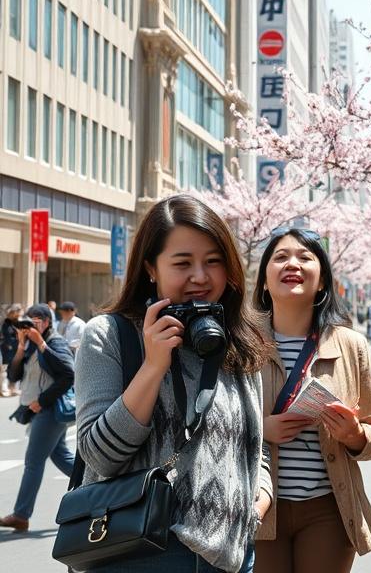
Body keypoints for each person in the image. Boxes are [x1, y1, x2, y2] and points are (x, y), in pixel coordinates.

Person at [74, 195, 271, 572]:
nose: (200, 276)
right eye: (183, 263)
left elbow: (255, 446)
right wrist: (152, 366)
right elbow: (99, 456)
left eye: (213, 261)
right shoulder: (109, 337)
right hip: (136, 551)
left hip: (229, 556)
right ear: (151, 268)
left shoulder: (236, 342)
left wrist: (258, 503)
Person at [253, 227, 371, 573]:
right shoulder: (242, 344)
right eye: (281, 257)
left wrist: (355, 436)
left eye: (305, 257)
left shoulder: (350, 344)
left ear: (323, 282)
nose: (292, 264)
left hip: (328, 509)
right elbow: (211, 425)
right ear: (265, 281)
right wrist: (260, 428)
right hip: (256, 505)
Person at [0, 303, 76, 531]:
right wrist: (22, 346)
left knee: (33, 462)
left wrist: (41, 401)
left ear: (46, 322)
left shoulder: (55, 342)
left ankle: (21, 515)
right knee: (61, 456)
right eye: (28, 321)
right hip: (38, 410)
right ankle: (102, 485)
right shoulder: (30, 346)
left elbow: (68, 374)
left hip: (50, 410)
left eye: (36, 321)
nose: (32, 325)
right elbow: (14, 375)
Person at [1, 304, 23, 397]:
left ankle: (13, 388)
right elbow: (7, 337)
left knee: (15, 369)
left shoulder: (17, 322)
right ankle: (4, 389)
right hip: (8, 350)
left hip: (16, 349)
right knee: (5, 369)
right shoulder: (5, 323)